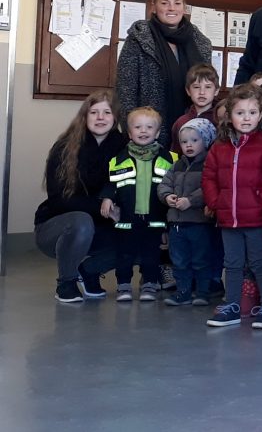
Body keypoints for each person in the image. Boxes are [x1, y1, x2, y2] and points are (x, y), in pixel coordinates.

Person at [35, 90, 127, 302]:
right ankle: (66, 282)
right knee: (82, 221)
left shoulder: (123, 147)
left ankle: (90, 270)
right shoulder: (64, 148)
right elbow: (59, 202)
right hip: (57, 228)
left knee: (139, 230)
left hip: (102, 225)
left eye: (107, 112)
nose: (100, 117)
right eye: (94, 112)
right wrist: (104, 208)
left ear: (115, 117)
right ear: (85, 116)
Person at [202, 84, 262, 328]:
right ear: (229, 115)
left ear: (260, 114)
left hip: (255, 218)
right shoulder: (219, 147)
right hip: (228, 218)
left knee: (258, 263)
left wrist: (261, 200)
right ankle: (232, 305)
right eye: (240, 112)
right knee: (232, 263)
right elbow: (209, 176)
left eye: (252, 112)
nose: (246, 118)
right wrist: (215, 202)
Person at [116, 0, 213, 147]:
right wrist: (133, 130)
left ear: (184, 8)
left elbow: (208, 86)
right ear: (154, 7)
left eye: (177, 3)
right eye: (164, 3)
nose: (171, 8)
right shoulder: (139, 39)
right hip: (149, 134)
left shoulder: (200, 43)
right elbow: (125, 91)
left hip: (193, 136)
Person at [99, 107, 177, 303]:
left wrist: (170, 220)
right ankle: (123, 285)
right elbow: (111, 183)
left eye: (149, 127)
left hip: (155, 219)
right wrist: (108, 198)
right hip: (127, 219)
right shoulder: (118, 159)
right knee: (124, 254)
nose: (143, 131)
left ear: (157, 132)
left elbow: (174, 190)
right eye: (138, 127)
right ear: (129, 131)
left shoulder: (170, 160)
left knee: (152, 254)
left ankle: (149, 284)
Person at [158, 118, 216, 306]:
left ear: (206, 141)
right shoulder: (176, 166)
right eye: (184, 142)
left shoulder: (209, 164)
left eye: (194, 140)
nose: (188, 145)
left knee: (201, 259)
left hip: (199, 223)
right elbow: (164, 184)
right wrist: (168, 197)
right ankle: (183, 291)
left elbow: (209, 188)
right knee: (179, 260)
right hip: (176, 224)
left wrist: (190, 201)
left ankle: (202, 292)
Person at [170, 64, 219, 155]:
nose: (202, 92)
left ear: (216, 90)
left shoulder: (219, 121)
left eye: (208, 87)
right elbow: (175, 155)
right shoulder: (180, 122)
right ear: (188, 91)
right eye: (196, 87)